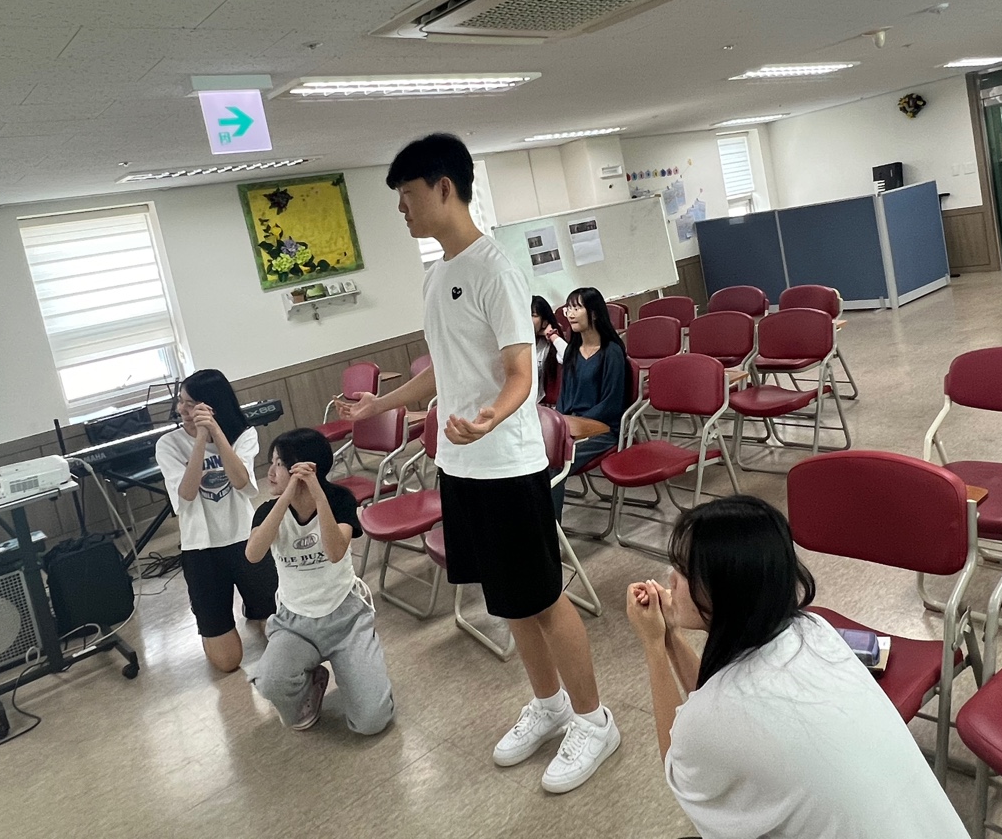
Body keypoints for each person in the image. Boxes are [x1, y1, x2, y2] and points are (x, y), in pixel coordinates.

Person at [337, 133, 619, 794]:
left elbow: (521, 371)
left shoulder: (495, 269)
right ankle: (548, 704)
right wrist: (383, 401)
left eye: (407, 195)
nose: (401, 209)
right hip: (461, 468)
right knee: (507, 599)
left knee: (544, 598)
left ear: (444, 188)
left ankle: (594, 720)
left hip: (508, 466)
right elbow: (442, 368)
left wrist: (492, 416)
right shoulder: (437, 275)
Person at [626, 496, 967, 839]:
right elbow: (710, 708)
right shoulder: (813, 630)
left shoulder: (715, 715)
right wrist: (670, 636)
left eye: (683, 571)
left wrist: (654, 645)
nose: (670, 579)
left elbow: (678, 762)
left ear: (724, 589)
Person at [246, 428, 394, 735]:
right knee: (271, 682)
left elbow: (335, 551)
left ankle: (364, 669)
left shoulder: (339, 500)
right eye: (272, 463)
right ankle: (313, 683)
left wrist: (317, 495)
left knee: (371, 722)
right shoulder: (268, 511)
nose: (270, 472)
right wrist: (287, 497)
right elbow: (253, 554)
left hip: (346, 618)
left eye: (278, 464)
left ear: (301, 469)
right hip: (294, 623)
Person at [155, 369, 277, 673]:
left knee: (280, 635)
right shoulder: (168, 445)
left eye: (191, 404)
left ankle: (255, 608)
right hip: (201, 549)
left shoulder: (244, 435)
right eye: (181, 402)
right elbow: (185, 496)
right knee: (228, 662)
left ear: (212, 406)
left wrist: (216, 434)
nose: (182, 410)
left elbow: (242, 483)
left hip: (244, 539)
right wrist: (200, 440)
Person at [555, 287, 626, 517]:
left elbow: (611, 404)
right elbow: (564, 396)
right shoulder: (572, 352)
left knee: (554, 464)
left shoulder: (611, 352)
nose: (570, 314)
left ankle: (552, 531)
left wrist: (578, 426)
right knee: (536, 458)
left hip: (602, 430)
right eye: (568, 308)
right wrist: (561, 424)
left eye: (577, 308)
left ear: (593, 313)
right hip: (573, 428)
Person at [532, 295, 566, 406]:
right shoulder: (516, 345)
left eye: (533, 315)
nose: (527, 319)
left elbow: (568, 357)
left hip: (541, 406)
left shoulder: (546, 345)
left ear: (544, 322)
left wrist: (552, 335)